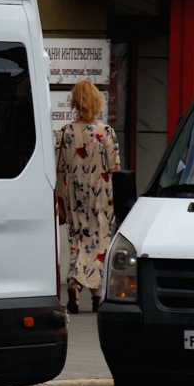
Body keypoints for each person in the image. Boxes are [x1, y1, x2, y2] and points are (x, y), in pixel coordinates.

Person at [56, 79, 122, 314]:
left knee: (78, 241)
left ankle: (81, 288)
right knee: (100, 241)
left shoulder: (66, 132)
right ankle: (92, 292)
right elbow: (115, 168)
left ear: (75, 102)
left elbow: (59, 165)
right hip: (101, 196)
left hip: (75, 194)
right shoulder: (106, 132)